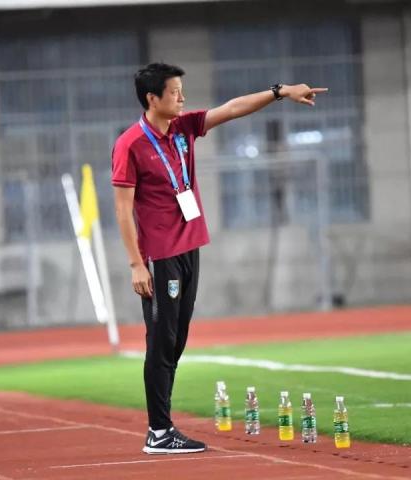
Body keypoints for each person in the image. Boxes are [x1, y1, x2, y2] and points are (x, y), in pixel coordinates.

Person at [111, 62, 327, 455]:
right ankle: (159, 431)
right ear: (152, 98)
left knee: (176, 341)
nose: (182, 97)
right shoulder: (130, 144)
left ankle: (162, 427)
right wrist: (135, 264)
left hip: (189, 248)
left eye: (181, 90)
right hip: (159, 256)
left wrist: (279, 92)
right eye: (174, 92)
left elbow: (231, 109)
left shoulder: (183, 128)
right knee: (161, 342)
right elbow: (123, 210)